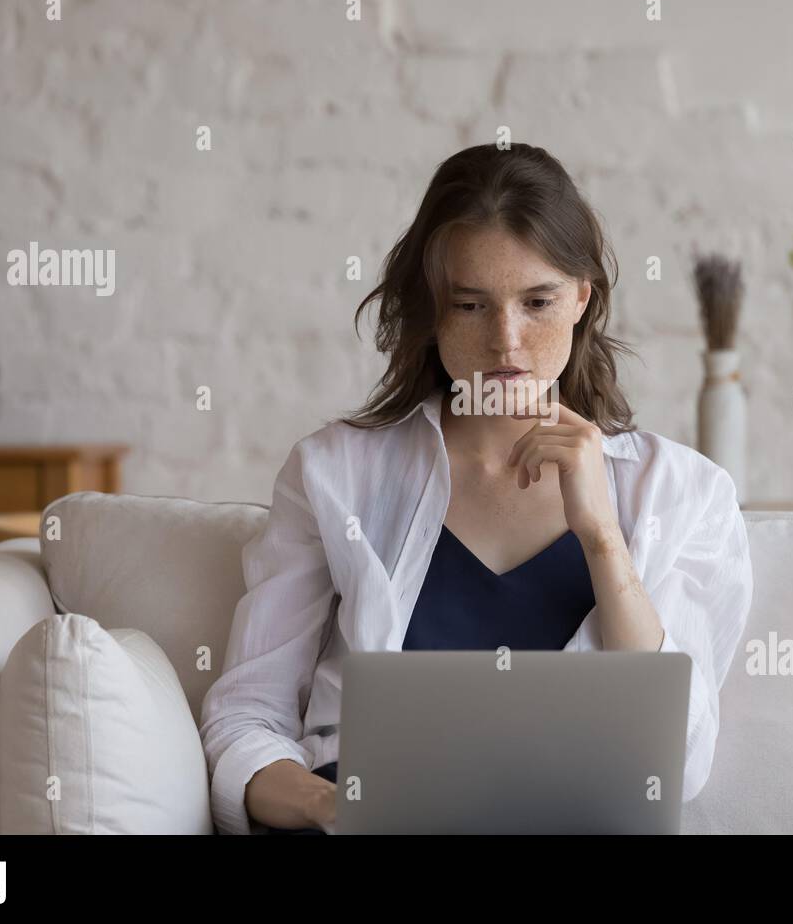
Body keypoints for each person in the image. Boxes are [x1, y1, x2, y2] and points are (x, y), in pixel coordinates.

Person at [198, 143, 753, 835]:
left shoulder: (683, 493)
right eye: (470, 305)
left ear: (582, 297)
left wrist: (602, 537)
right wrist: (330, 806)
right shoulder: (332, 473)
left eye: (538, 302)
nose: (506, 342)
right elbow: (248, 714)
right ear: (431, 311)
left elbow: (680, 761)